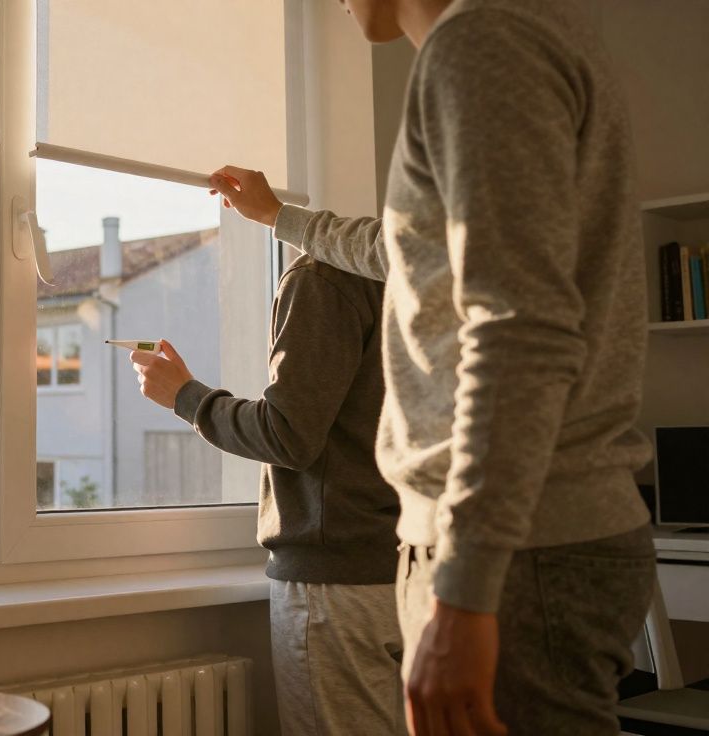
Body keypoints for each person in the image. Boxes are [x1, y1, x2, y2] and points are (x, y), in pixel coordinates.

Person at [204, 0, 657, 734]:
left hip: (517, 554)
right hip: (527, 544)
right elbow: (408, 253)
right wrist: (280, 218)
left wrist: (465, 590)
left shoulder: (482, 43)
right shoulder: (520, 36)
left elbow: (518, 331)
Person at [130, 254, 404, 735]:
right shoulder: (425, 268)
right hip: (415, 569)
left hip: (338, 584)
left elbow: (287, 435)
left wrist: (185, 396)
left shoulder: (325, 277)